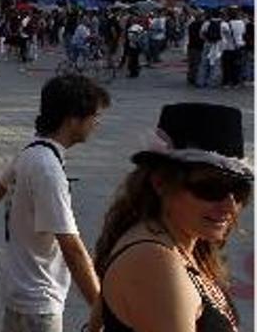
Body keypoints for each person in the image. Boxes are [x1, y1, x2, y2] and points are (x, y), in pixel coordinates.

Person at [91, 103, 252, 332]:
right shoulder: (155, 262)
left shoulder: (183, 243)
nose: (230, 206)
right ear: (160, 183)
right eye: (211, 188)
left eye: (239, 191)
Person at [0, 74, 111, 332]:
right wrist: (101, 308)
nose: (96, 123)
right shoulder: (48, 169)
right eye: (94, 116)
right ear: (72, 118)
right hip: (39, 300)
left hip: (21, 290)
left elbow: (1, 182)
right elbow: (72, 248)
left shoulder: (33, 149)